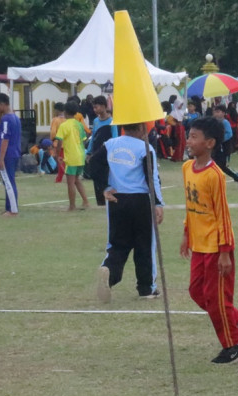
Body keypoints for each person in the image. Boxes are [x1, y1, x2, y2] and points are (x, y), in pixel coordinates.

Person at [180, 117, 238, 364]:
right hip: (199, 245)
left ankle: (235, 346)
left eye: (194, 137)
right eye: (189, 135)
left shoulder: (215, 175)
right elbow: (191, 207)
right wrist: (186, 233)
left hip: (217, 247)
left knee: (216, 299)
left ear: (210, 143)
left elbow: (222, 215)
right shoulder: (186, 169)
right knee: (196, 292)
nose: (189, 141)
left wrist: (225, 251)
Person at [87, 122, 164, 302]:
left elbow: (93, 165)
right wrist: (158, 203)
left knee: (117, 244)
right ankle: (147, 288)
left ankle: (109, 272)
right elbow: (151, 177)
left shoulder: (110, 144)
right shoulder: (145, 148)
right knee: (145, 245)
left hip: (117, 200)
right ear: (140, 129)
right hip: (141, 201)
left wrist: (104, 187)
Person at [54, 101, 91, 211]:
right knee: (77, 180)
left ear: (65, 112)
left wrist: (57, 155)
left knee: (70, 182)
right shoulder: (79, 124)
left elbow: (59, 141)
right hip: (80, 155)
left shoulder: (64, 125)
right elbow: (83, 140)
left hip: (71, 157)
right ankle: (86, 201)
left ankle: (72, 206)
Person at [0, 94, 22, 216]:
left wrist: (1, 158)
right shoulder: (15, 117)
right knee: (9, 181)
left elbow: (5, 139)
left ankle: (12, 210)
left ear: (1, 105)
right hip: (14, 153)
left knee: (8, 182)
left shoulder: (6, 119)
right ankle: (9, 207)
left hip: (8, 155)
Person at [87, 96, 119, 206]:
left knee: (106, 178)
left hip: (107, 155)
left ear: (104, 106)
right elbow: (93, 137)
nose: (94, 110)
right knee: (96, 177)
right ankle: (100, 202)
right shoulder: (96, 121)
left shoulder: (112, 121)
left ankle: (109, 200)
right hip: (96, 154)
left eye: (96, 107)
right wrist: (89, 152)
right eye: (94, 108)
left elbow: (115, 138)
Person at [211, 105, 238, 188]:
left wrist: (219, 140)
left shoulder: (225, 122)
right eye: (215, 112)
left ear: (223, 113)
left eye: (218, 112)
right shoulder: (213, 122)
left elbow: (229, 134)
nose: (216, 114)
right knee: (214, 165)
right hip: (216, 148)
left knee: (223, 166)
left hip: (224, 148)